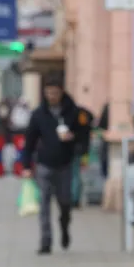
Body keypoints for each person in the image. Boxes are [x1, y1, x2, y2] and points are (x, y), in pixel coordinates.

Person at [21, 74, 83, 254]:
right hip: (44, 164)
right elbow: (29, 141)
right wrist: (26, 166)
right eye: (48, 93)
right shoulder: (39, 114)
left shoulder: (72, 112)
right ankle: (45, 241)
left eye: (55, 93)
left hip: (64, 163)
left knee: (64, 201)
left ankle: (64, 226)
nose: (52, 97)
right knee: (44, 203)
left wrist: (73, 139)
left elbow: (83, 135)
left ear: (61, 92)